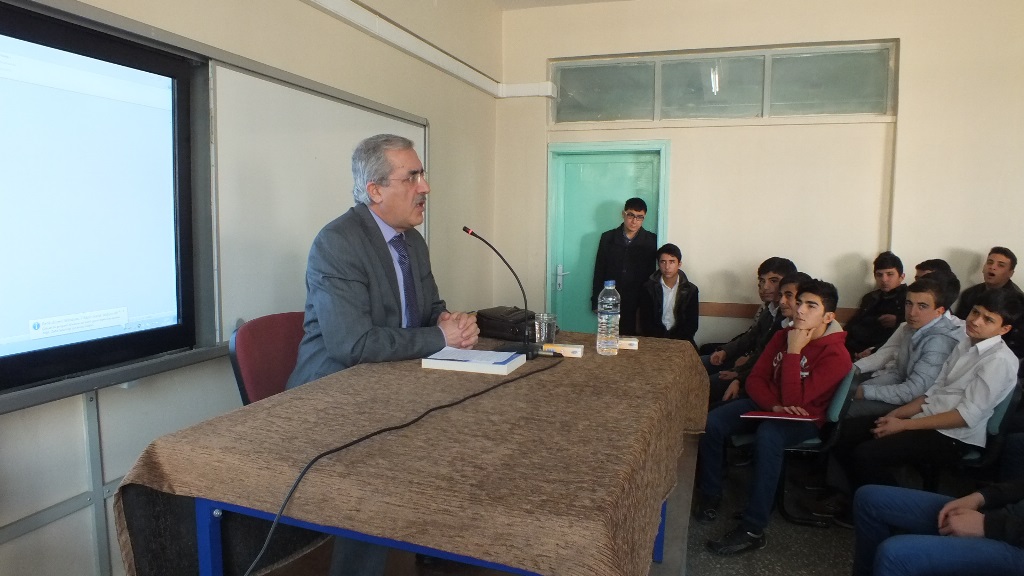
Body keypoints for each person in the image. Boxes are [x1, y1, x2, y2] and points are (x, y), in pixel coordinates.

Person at [286, 134, 479, 576]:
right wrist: (440, 337)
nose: (425, 187)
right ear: (375, 190)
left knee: (462, 431)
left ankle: (438, 550)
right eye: (412, 177)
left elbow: (427, 311)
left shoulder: (413, 242)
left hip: (393, 379)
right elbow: (352, 345)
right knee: (377, 470)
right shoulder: (338, 242)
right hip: (331, 392)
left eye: (422, 175)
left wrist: (450, 321)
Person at [818, 289, 1022, 526]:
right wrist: (894, 415)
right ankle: (857, 497)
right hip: (928, 417)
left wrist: (904, 426)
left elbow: (964, 417)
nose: (976, 321)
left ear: (1004, 329)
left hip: (953, 436)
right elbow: (931, 392)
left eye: (988, 319)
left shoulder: (998, 361)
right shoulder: (965, 343)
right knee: (842, 432)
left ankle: (893, 511)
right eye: (975, 312)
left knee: (867, 454)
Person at [695, 280, 852, 556]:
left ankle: (753, 529)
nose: (800, 310)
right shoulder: (783, 335)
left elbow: (797, 402)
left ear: (828, 317)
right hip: (770, 407)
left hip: (805, 420)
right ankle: (710, 494)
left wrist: (794, 351)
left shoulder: (836, 355)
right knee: (713, 422)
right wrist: (775, 406)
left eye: (811, 306)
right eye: (799, 303)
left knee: (769, 435)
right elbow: (755, 379)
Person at [847, 275, 965, 418]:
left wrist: (864, 392)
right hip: (905, 393)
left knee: (847, 409)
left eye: (922, 306)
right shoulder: (911, 328)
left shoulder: (940, 341)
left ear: (939, 311)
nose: (912, 312)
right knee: (844, 397)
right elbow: (898, 374)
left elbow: (914, 392)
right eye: (909, 303)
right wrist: (860, 388)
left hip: (919, 405)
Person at [852, 482, 1024, 576]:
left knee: (894, 554)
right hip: (1004, 515)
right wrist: (980, 497)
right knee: (868, 498)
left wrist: (989, 525)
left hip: (1015, 539)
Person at [714, 271, 812, 406]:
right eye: (781, 295)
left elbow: (793, 396)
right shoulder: (779, 322)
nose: (782, 301)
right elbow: (761, 356)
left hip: (771, 395)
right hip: (755, 382)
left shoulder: (807, 334)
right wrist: (738, 375)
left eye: (788, 295)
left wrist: (739, 376)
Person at [702, 257, 798, 390]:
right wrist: (725, 351)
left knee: (703, 385)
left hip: (756, 372)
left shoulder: (790, 317)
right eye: (762, 281)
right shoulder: (769, 309)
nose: (765, 287)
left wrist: (739, 372)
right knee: (696, 363)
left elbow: (768, 356)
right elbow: (750, 337)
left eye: (773, 281)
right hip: (748, 362)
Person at [591, 197, 658, 336]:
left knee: (635, 341)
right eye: (631, 215)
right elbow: (599, 270)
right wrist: (596, 300)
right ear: (623, 214)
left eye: (639, 217)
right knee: (609, 338)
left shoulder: (652, 240)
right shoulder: (608, 238)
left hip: (638, 301)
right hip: (610, 297)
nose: (634, 221)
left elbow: (653, 275)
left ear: (644, 218)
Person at [845, 251, 908, 360]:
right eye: (879, 275)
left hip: (882, 352)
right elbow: (853, 324)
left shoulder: (909, 298)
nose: (884, 279)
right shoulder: (870, 297)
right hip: (854, 348)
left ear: (901, 277)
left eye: (890, 274)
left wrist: (898, 320)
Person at [637, 243, 699, 344]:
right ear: (658, 264)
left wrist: (674, 341)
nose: (667, 267)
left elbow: (692, 325)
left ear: (679, 264)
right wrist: (661, 340)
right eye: (663, 262)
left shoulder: (691, 290)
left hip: (681, 341)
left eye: (672, 262)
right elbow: (645, 322)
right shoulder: (648, 288)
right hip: (654, 340)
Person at [953, 247, 1023, 319]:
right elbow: (958, 322)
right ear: (983, 267)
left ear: (1010, 273)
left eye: (1001, 265)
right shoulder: (970, 293)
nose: (992, 267)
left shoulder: (1018, 301)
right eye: (990, 262)